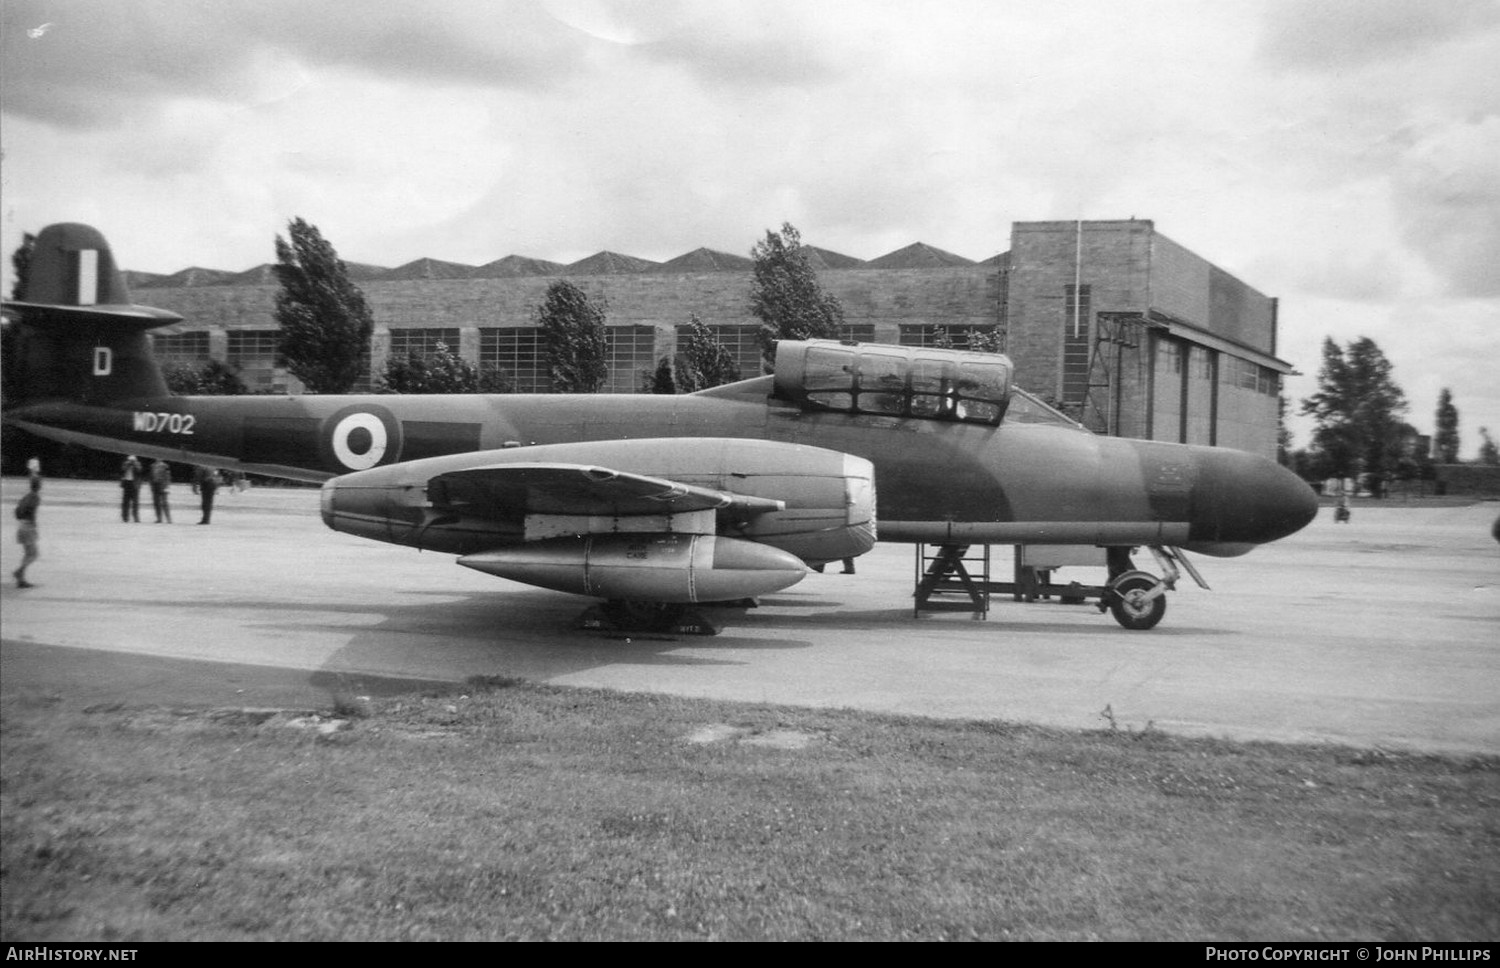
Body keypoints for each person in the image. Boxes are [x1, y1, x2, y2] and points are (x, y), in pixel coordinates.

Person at [14, 478, 40, 588]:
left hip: (22, 526)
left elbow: (17, 511)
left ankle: (20, 577)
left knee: (28, 554)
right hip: (28, 527)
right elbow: (29, 510)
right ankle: (19, 573)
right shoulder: (35, 497)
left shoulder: (26, 496)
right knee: (33, 554)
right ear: (39, 486)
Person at [120, 455, 143, 522]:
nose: (131, 461)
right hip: (127, 483)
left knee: (135, 502)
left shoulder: (137, 464)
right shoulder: (126, 463)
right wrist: (128, 464)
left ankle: (136, 517)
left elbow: (139, 470)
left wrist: (134, 464)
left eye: (133, 460)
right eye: (130, 460)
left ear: (135, 460)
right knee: (125, 501)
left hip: (134, 484)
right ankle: (125, 517)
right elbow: (122, 469)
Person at [149, 459, 173, 523]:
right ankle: (159, 518)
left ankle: (168, 519)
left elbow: (168, 476)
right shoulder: (152, 466)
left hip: (163, 485)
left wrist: (167, 485)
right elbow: (150, 477)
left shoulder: (165, 466)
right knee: (156, 503)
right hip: (155, 485)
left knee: (165, 503)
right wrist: (151, 485)